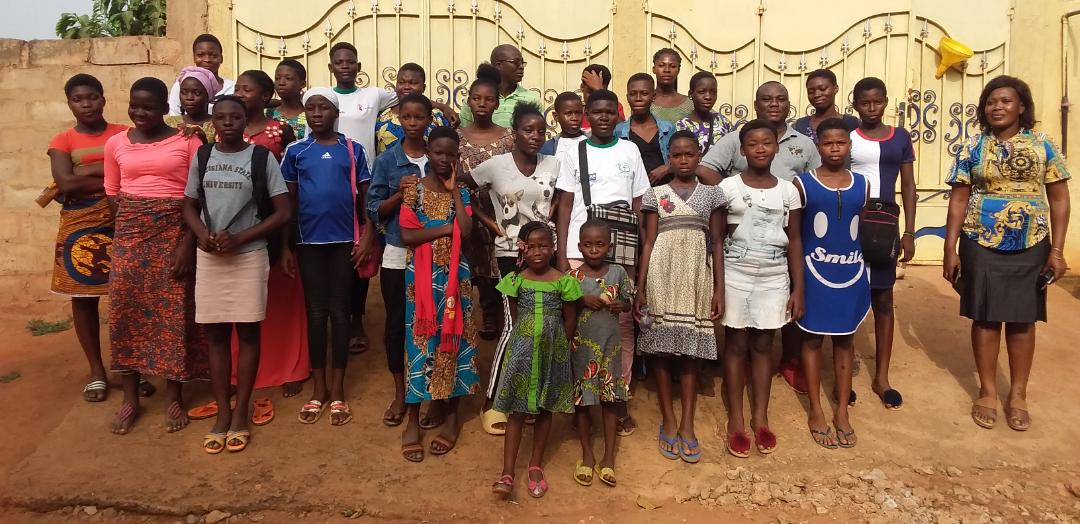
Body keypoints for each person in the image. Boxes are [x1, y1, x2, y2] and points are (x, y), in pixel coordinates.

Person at [944, 75, 1071, 432]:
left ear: (1021, 107)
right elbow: (958, 199)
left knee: (1021, 318)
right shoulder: (972, 147)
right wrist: (949, 248)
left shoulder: (1043, 146)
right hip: (979, 240)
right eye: (990, 102)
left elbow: (1059, 199)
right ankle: (986, 391)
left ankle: (1017, 394)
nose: (997, 107)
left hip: (1031, 242)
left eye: (1005, 101)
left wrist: (1057, 251)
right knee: (984, 316)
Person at [182, 95, 292, 453]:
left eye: (236, 117)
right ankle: (222, 415)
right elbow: (189, 205)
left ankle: (242, 412)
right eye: (221, 117)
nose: (228, 122)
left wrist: (241, 237)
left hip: (248, 256)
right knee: (215, 335)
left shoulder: (261, 158)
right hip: (210, 256)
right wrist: (202, 235)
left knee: (247, 334)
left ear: (247, 121)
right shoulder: (203, 157)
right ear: (212, 121)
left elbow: (282, 211)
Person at [104, 77, 208, 434]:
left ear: (166, 108)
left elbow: (198, 196)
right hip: (130, 239)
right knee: (125, 312)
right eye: (135, 105)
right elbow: (113, 192)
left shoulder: (187, 140)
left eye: (149, 106)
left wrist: (186, 243)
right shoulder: (115, 143)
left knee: (173, 314)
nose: (140, 112)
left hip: (174, 234)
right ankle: (130, 399)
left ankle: (174, 394)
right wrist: (134, 225)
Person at [556, 89, 650, 436]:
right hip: (582, 246)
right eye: (597, 112)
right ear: (587, 116)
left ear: (618, 115)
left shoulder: (630, 150)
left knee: (621, 322)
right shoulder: (574, 150)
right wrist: (563, 253)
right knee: (577, 319)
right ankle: (579, 395)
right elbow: (565, 203)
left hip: (622, 249)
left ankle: (617, 396)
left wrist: (639, 250)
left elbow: (638, 203)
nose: (604, 117)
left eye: (610, 112)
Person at [465, 102, 562, 435]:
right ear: (514, 133)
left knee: (540, 327)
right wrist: (489, 223)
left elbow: (560, 201)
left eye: (540, 131)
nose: (535, 136)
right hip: (510, 253)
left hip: (544, 256)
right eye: (527, 130)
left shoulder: (553, 164)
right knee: (514, 325)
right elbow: (464, 187)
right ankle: (492, 401)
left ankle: (527, 397)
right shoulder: (495, 166)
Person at [280, 88, 370, 427]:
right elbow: (286, 203)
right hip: (308, 243)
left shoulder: (353, 149)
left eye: (324, 108)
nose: (317, 114)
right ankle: (318, 389)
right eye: (311, 109)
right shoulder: (295, 151)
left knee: (341, 312)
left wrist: (368, 238)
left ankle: (339, 389)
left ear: (336, 113)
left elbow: (366, 200)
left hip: (346, 242)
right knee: (315, 313)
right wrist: (285, 247)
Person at [635, 130, 726, 463]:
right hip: (661, 273)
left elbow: (716, 244)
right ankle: (668, 420)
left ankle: (687, 422)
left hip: (696, 277)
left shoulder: (712, 195)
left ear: (698, 156)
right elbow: (648, 242)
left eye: (689, 154)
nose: (683, 160)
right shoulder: (655, 194)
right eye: (677, 155)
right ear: (668, 159)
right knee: (660, 351)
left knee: (690, 353)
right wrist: (641, 286)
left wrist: (719, 288)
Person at [718, 119, 805, 457]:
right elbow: (717, 239)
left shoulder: (788, 191)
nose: (759, 149)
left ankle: (761, 417)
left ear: (776, 147)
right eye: (752, 144)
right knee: (737, 342)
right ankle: (736, 420)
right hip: (736, 273)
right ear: (742, 150)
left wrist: (799, 289)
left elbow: (795, 240)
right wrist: (719, 286)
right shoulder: (727, 188)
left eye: (766, 143)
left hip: (773, 276)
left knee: (764, 344)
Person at [398, 126, 479, 462]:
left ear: (458, 158)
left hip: (455, 279)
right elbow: (407, 236)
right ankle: (413, 419)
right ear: (428, 153)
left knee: (457, 340)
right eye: (439, 153)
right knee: (419, 342)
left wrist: (455, 192)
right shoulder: (412, 190)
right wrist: (447, 229)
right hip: (421, 281)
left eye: (451, 154)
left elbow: (469, 229)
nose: (444, 159)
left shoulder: (461, 191)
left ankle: (452, 417)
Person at [47, 74, 129, 403]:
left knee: (125, 297)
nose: (86, 104)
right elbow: (64, 184)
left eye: (92, 97)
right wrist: (108, 173)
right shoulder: (62, 140)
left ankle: (128, 368)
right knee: (83, 298)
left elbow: (130, 173)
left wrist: (87, 172)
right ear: (70, 103)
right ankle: (96, 370)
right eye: (78, 99)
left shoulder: (123, 133)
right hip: (79, 224)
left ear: (103, 99)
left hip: (121, 220)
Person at [794, 118, 871, 449]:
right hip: (814, 273)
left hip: (851, 273)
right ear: (818, 146)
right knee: (811, 341)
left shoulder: (863, 184)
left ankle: (842, 411)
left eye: (841, 143)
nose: (835, 149)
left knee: (845, 341)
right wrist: (797, 282)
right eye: (828, 143)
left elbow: (865, 232)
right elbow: (794, 236)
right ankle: (815, 409)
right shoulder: (803, 184)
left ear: (850, 145)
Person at [491, 222, 583, 499]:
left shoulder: (564, 280)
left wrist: (560, 350)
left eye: (544, 245)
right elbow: (515, 315)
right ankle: (507, 471)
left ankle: (535, 465)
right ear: (522, 250)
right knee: (516, 411)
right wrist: (525, 339)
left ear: (553, 248)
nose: (538, 252)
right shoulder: (516, 280)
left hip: (553, 354)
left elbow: (570, 319)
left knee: (545, 409)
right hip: (521, 353)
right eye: (531, 247)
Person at [367, 93, 436, 428]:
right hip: (397, 251)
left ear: (428, 119)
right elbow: (373, 208)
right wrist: (399, 193)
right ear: (398, 118)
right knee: (397, 324)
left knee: (431, 323)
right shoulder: (388, 160)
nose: (412, 123)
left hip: (435, 252)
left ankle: (434, 391)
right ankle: (401, 391)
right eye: (406, 117)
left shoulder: (439, 157)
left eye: (419, 117)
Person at [848, 77, 916, 410]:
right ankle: (844, 377)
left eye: (877, 102)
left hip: (887, 225)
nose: (871, 108)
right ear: (855, 104)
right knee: (847, 294)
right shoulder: (848, 139)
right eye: (864, 102)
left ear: (885, 101)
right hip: (852, 223)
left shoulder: (900, 137)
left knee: (884, 298)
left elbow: (908, 184)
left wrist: (910, 232)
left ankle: (882, 377)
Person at [327, 42, 388, 354]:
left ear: (358, 66)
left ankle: (356, 318)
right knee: (336, 254)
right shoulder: (322, 96)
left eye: (350, 61)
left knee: (363, 255)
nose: (345, 66)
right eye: (339, 62)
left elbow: (409, 95)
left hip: (366, 186)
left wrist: (443, 107)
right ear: (331, 67)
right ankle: (335, 315)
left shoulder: (374, 95)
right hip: (331, 187)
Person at [569, 219, 633, 486]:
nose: (594, 249)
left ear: (610, 245)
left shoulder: (618, 273)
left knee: (609, 401)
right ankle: (587, 455)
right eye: (588, 244)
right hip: (582, 349)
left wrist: (622, 305)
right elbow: (567, 307)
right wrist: (581, 299)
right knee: (582, 403)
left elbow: (628, 303)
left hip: (610, 348)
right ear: (580, 246)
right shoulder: (573, 277)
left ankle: (608, 458)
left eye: (600, 244)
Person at [458, 63, 514, 344]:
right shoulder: (457, 138)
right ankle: (488, 311)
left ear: (497, 102)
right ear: (468, 101)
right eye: (477, 98)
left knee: (501, 261)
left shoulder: (508, 137)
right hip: (469, 212)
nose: (482, 103)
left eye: (489, 99)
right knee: (477, 266)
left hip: (501, 212)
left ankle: (507, 313)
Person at [701, 81, 820, 181]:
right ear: (756, 105)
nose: (774, 104)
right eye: (766, 99)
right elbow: (704, 170)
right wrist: (729, 195)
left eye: (781, 99)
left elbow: (817, 181)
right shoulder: (735, 139)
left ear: (788, 106)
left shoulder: (805, 143)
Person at [374, 63, 451, 155]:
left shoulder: (437, 116)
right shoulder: (382, 116)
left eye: (413, 83)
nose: (406, 87)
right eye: (401, 82)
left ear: (424, 87)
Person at [460, 44, 542, 128]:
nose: (521, 67)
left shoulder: (531, 99)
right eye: (516, 62)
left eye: (522, 63)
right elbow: (465, 130)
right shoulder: (477, 99)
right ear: (498, 65)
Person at [616, 73, 675, 186]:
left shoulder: (668, 128)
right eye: (633, 94)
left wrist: (666, 168)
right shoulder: (618, 131)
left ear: (653, 96)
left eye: (644, 93)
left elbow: (680, 159)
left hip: (665, 193)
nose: (638, 99)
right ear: (627, 97)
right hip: (633, 193)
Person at [168, 34, 234, 116]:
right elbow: (175, 118)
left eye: (213, 55)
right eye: (200, 55)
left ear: (221, 58)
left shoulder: (233, 88)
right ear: (194, 58)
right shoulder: (180, 86)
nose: (207, 60)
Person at [675, 72, 734, 155]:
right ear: (690, 94)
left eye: (713, 92)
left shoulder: (723, 122)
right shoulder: (681, 126)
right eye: (702, 92)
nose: (708, 97)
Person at [792, 69, 860, 142]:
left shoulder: (854, 124)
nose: (817, 95)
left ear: (836, 88)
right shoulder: (798, 126)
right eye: (811, 91)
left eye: (822, 89)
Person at [164, 66, 220, 142]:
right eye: (184, 93)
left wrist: (204, 140)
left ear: (208, 96)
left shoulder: (218, 125)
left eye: (197, 93)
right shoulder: (170, 123)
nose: (189, 97)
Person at [650, 48, 694, 125]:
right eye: (661, 65)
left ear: (678, 70)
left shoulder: (690, 104)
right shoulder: (645, 102)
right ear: (654, 69)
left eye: (673, 66)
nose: (667, 70)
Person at [268, 59, 308, 139]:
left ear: (302, 84)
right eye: (277, 78)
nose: (281, 83)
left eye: (288, 78)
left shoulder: (310, 115)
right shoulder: (267, 114)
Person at [540, 91, 586, 159]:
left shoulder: (592, 143)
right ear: (556, 116)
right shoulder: (547, 149)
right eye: (568, 113)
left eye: (578, 113)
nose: (574, 118)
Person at [579, 64, 625, 131]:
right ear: (582, 87)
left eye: (602, 92)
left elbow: (622, 128)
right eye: (591, 92)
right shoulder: (577, 109)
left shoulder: (613, 105)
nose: (594, 97)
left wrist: (599, 90)